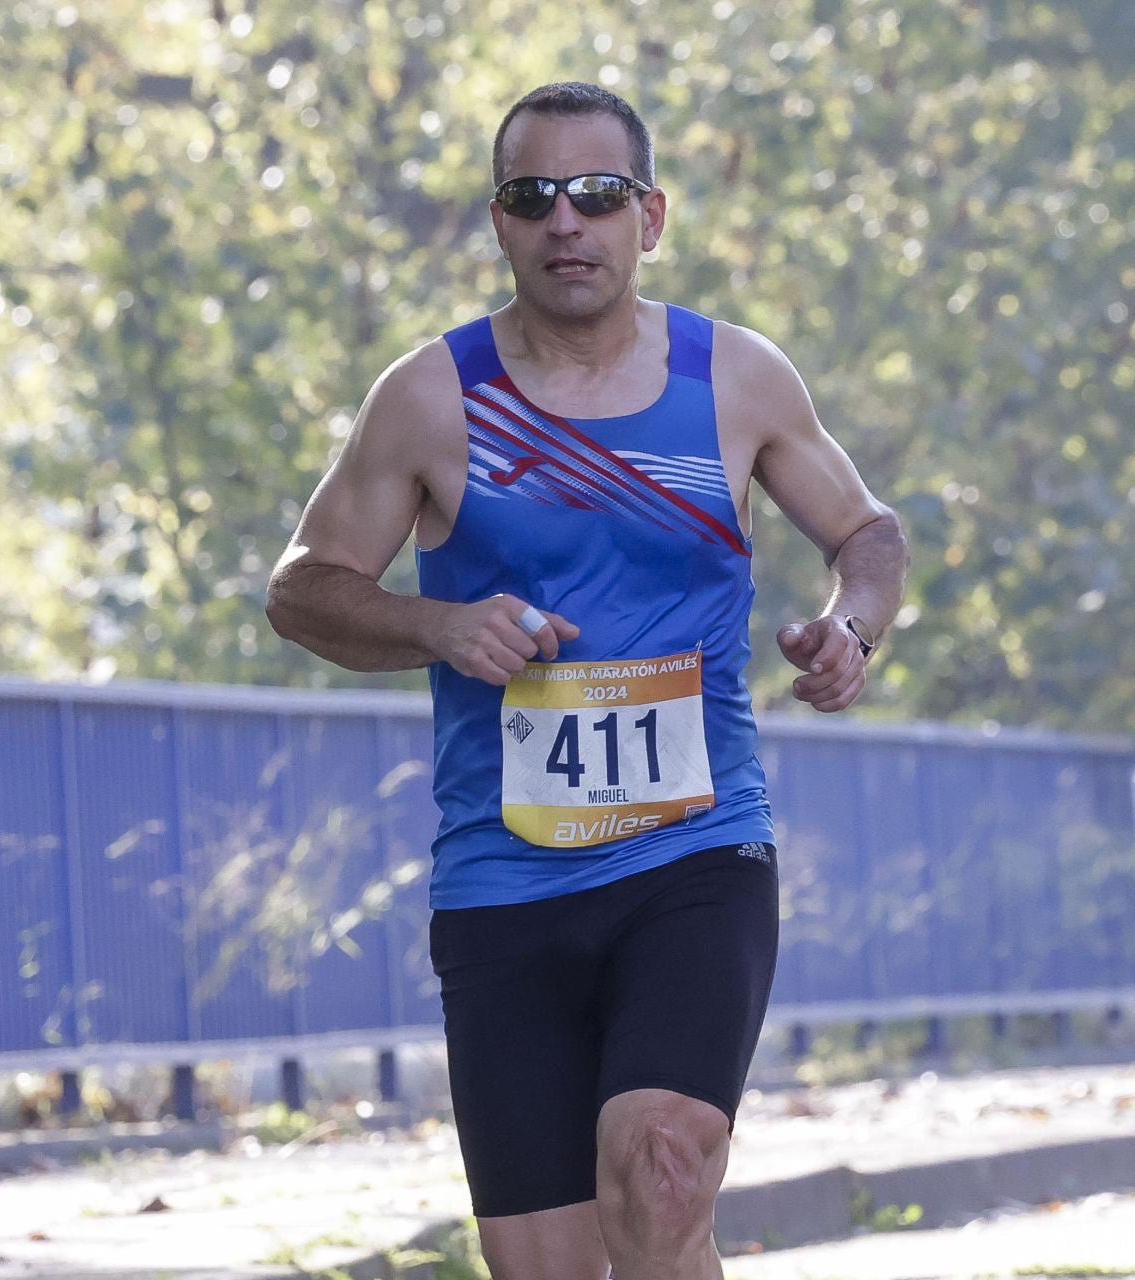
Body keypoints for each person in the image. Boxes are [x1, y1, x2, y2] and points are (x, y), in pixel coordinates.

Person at [266, 82, 908, 1280]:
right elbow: (303, 587)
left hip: (694, 852)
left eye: (599, 194)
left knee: (661, 1175)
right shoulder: (431, 396)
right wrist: (439, 623)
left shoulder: (737, 379)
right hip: (505, 873)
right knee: (546, 1267)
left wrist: (851, 628)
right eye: (534, 196)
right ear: (499, 223)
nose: (568, 220)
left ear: (648, 217)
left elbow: (866, 533)